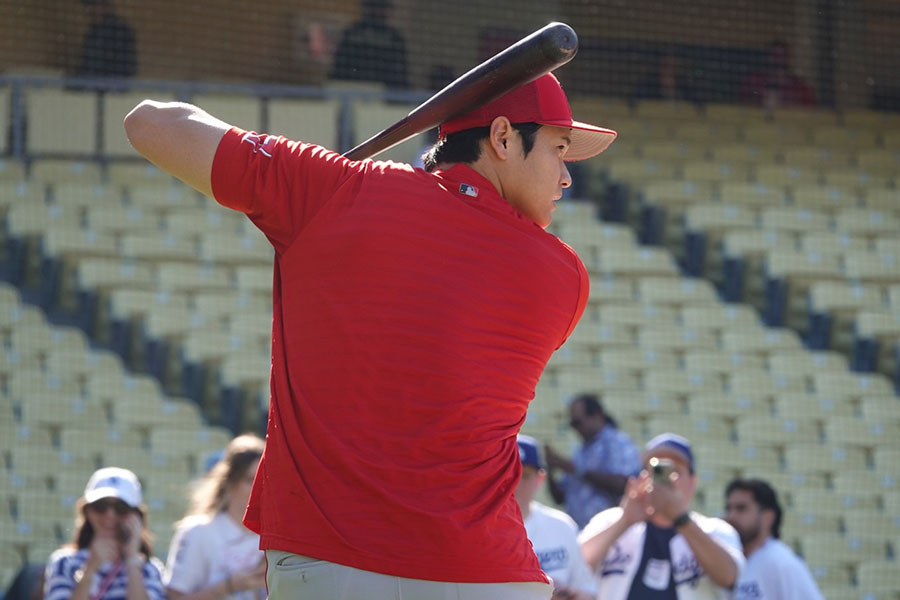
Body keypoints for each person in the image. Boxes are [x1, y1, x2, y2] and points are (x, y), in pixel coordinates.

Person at [124, 70, 617, 600]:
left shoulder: (334, 190)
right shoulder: (565, 276)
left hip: (333, 566)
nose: (567, 177)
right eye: (559, 149)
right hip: (492, 576)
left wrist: (318, 179)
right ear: (500, 138)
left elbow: (150, 123)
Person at [578, 433, 744, 599]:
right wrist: (625, 521)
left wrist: (680, 518)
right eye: (656, 470)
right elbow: (575, 567)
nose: (665, 480)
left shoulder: (714, 530)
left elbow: (729, 577)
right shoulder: (610, 521)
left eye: (675, 471)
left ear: (693, 482)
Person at [165, 434, 267, 600]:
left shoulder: (276, 537)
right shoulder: (198, 532)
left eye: (264, 481)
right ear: (229, 483)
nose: (259, 489)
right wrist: (229, 586)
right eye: (250, 480)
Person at [43, 467, 165, 600]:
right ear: (87, 511)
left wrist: (132, 561)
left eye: (121, 507)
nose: (110, 515)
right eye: (100, 506)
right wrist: (90, 569)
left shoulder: (150, 569)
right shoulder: (64, 563)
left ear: (136, 516)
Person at [515, 435, 597, 600]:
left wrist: (569, 595)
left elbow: (589, 591)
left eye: (525, 475)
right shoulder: (480, 531)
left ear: (540, 478)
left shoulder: (562, 526)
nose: (516, 483)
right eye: (509, 474)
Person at [544, 393, 642, 529]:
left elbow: (625, 484)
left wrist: (574, 469)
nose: (575, 429)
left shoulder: (617, 442)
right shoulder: (580, 451)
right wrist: (551, 468)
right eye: (572, 424)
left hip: (611, 535)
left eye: (577, 423)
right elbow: (559, 498)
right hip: (582, 535)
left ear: (597, 415)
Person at [724, 478, 823, 600]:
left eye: (741, 508)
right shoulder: (729, 562)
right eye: (728, 509)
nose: (731, 516)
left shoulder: (782, 563)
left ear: (768, 517)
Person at [329, 0, 408, 88]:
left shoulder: (395, 38)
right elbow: (340, 68)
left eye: (381, 8)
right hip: (351, 90)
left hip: (385, 95)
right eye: (373, 7)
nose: (377, 11)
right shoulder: (351, 33)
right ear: (366, 8)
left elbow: (399, 74)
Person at [738, 40, 815, 109]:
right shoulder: (754, 81)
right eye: (774, 55)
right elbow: (741, 105)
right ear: (767, 57)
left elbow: (811, 111)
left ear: (788, 58)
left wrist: (785, 106)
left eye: (782, 55)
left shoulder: (799, 86)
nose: (778, 59)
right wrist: (761, 104)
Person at [76, 0, 137, 78]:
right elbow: (86, 66)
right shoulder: (91, 33)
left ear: (106, 6)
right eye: (87, 6)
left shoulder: (121, 31)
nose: (89, 10)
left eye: (93, 5)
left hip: (113, 87)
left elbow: (127, 69)